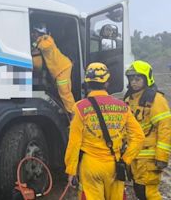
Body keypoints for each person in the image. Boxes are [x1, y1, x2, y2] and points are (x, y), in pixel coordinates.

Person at [64, 62, 144, 200]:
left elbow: (74, 142)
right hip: (115, 165)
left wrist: (71, 170)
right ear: (107, 83)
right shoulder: (122, 106)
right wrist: (126, 160)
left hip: (91, 166)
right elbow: (139, 137)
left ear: (87, 83)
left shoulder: (79, 107)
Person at [124, 60, 171, 200]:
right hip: (135, 156)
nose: (134, 82)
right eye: (131, 79)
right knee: (139, 191)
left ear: (146, 78)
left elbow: (165, 128)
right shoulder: (129, 99)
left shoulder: (156, 100)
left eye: (137, 79)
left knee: (149, 193)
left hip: (149, 157)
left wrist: (162, 157)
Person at [30, 23, 75, 115]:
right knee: (61, 91)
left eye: (34, 32)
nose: (32, 34)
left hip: (63, 68)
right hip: (58, 70)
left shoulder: (47, 39)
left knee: (65, 92)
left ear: (40, 33)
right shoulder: (41, 40)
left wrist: (35, 43)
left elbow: (44, 46)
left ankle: (73, 115)